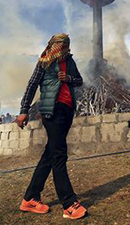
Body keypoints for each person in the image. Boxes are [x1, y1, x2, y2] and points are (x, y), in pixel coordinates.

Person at [16, 33, 87, 220]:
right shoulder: (44, 62)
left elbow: (80, 80)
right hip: (51, 110)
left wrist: (69, 78)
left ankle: (30, 198)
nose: (64, 47)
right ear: (53, 45)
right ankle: (69, 203)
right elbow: (32, 85)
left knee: (50, 154)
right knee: (59, 154)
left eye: (66, 44)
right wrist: (24, 110)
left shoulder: (70, 62)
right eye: (61, 43)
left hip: (67, 111)